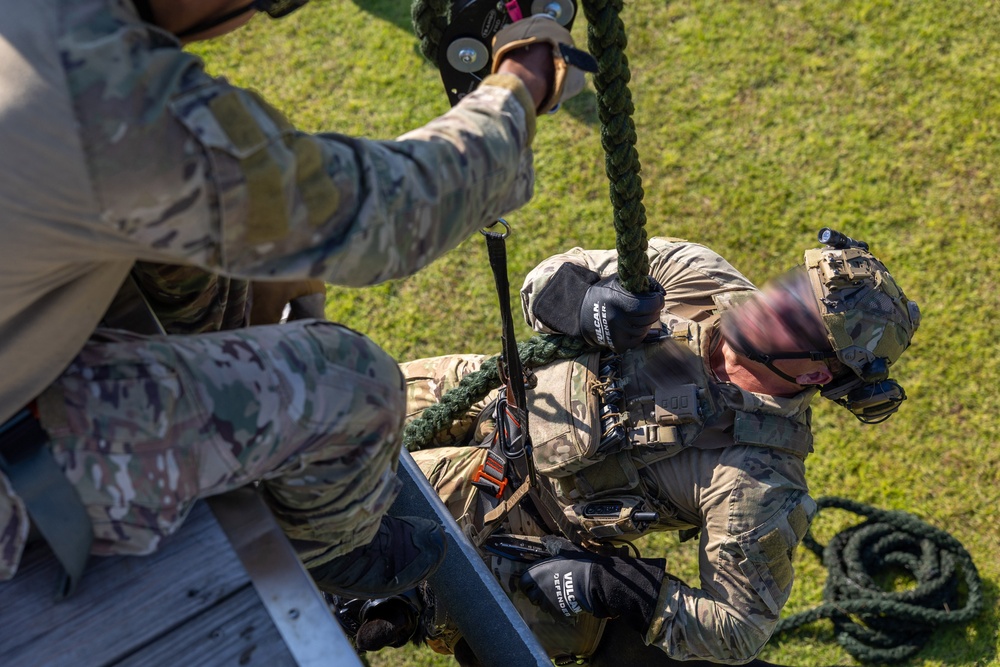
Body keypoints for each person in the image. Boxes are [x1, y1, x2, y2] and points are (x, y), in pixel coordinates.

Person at [0, 0, 592, 598]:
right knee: (349, 386)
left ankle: (225, 402)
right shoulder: (110, 98)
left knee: (230, 249)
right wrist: (526, 77)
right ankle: (326, 551)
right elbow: (394, 211)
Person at [344, 230, 920, 664]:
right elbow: (545, 278)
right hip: (484, 390)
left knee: (339, 528)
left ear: (819, 375)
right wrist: (586, 304)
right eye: (791, 291)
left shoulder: (757, 482)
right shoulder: (697, 277)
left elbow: (739, 630)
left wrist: (612, 586)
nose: (769, 306)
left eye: (795, 322)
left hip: (513, 516)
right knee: (322, 411)